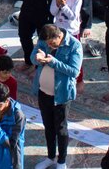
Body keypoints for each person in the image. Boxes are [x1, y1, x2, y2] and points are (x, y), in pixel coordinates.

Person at [31, 24, 82, 169]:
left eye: (52, 43)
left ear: (59, 36)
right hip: (43, 92)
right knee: (48, 126)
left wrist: (53, 62)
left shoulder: (74, 45)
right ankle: (51, 157)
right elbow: (32, 57)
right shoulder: (44, 40)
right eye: (47, 44)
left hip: (61, 96)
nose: (49, 46)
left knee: (61, 129)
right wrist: (37, 58)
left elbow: (74, 71)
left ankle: (62, 161)